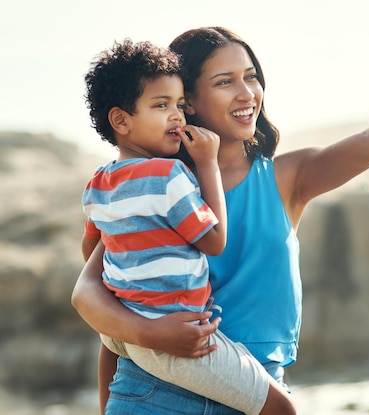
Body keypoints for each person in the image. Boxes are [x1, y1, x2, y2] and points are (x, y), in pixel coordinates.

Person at [72, 26, 369, 414]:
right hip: (155, 395)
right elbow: (99, 303)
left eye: (251, 76)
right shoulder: (154, 189)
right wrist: (143, 344)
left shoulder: (286, 178)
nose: (247, 93)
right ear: (186, 101)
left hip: (257, 395)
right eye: (224, 81)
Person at [79, 38, 295, 415]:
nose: (177, 116)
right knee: (283, 409)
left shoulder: (98, 183)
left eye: (179, 105)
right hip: (181, 336)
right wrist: (207, 165)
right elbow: (214, 241)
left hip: (125, 333)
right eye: (162, 106)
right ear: (120, 120)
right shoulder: (170, 174)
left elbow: (91, 253)